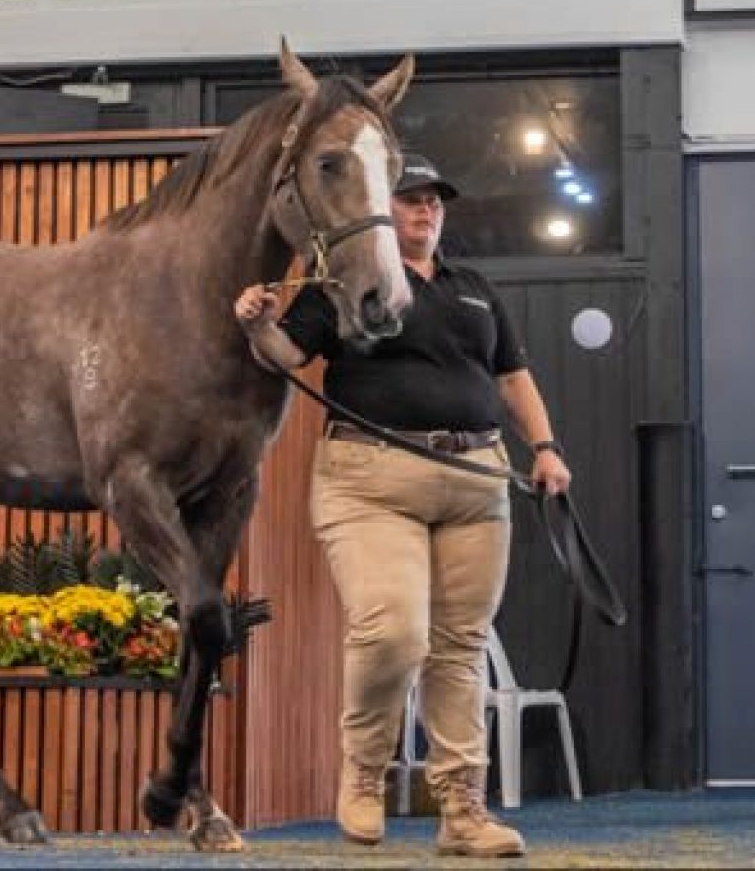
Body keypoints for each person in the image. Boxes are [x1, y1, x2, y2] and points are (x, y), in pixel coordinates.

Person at [233, 151, 572, 857]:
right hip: (369, 478)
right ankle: (364, 771)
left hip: (478, 476)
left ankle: (462, 811)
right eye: (411, 199)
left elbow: (513, 375)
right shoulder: (338, 284)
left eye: (434, 200)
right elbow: (286, 356)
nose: (426, 210)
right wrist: (256, 321)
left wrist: (544, 447)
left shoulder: (474, 287)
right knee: (392, 631)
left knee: (459, 649)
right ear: (385, 208)